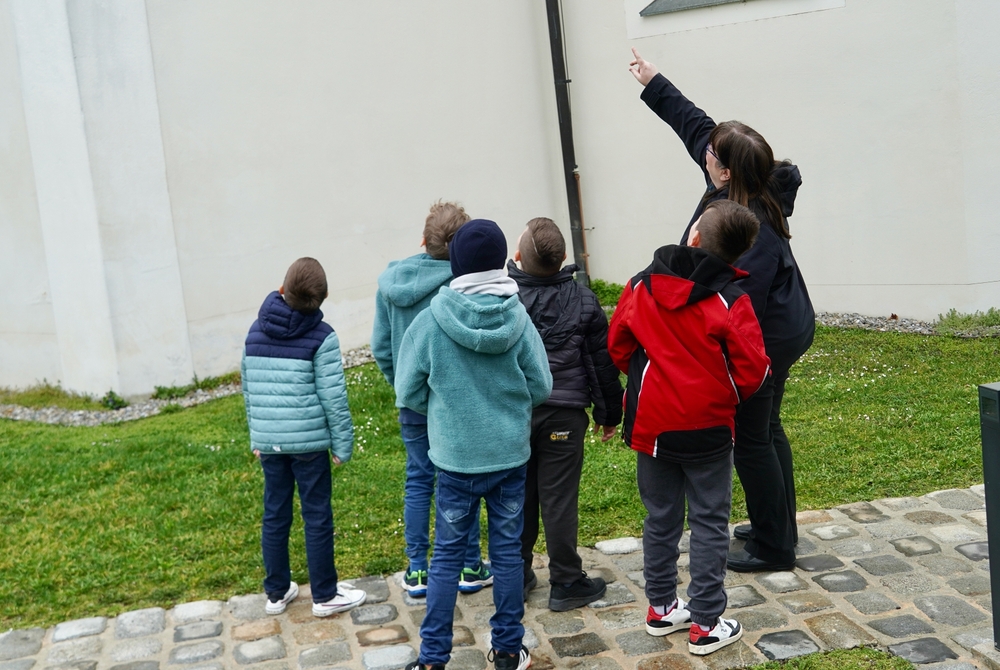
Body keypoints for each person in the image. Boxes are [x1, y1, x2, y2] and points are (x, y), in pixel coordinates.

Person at [629, 48, 815, 572]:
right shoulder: (741, 177)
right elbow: (695, 126)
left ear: (725, 170)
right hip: (783, 321)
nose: (702, 153)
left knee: (753, 439)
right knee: (768, 430)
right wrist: (653, 80)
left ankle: (774, 546)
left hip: (770, 334)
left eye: (709, 153)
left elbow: (736, 306)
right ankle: (778, 524)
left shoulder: (747, 227)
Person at [608, 200, 770, 656]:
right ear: (739, 253)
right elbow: (754, 370)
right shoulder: (731, 301)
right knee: (709, 522)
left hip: (653, 424)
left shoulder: (641, 286)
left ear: (694, 236)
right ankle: (705, 623)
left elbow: (618, 345)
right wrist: (722, 392)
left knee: (660, 517)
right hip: (708, 426)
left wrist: (649, 376)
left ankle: (662, 607)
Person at [395, 219, 552, 670]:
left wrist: (444, 409)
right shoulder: (518, 320)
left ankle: (432, 658)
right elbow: (541, 386)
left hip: (455, 461)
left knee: (446, 555)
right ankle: (507, 650)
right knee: (506, 554)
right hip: (508, 457)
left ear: (456, 264)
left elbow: (407, 391)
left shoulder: (431, 322)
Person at [371, 201, 492, 598]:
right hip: (454, 402)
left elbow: (382, 348)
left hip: (412, 403)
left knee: (419, 479)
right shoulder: (464, 283)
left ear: (423, 240)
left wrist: (403, 385)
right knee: (461, 479)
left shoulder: (392, 283)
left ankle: (417, 569)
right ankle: (469, 565)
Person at [507, 217, 624, 610]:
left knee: (518, 496)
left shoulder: (505, 300)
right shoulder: (584, 300)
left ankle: (515, 576)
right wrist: (609, 413)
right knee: (558, 500)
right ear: (562, 260)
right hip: (564, 418)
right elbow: (601, 365)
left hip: (517, 415)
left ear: (518, 256)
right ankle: (567, 581)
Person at [242, 257, 367, 617]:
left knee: (275, 513)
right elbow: (334, 398)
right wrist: (342, 444)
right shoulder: (322, 337)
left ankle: (276, 592)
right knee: (316, 515)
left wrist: (257, 436)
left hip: (270, 443)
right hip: (309, 446)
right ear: (323, 298)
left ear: (282, 289)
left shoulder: (254, 332)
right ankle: (324, 595)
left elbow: (249, 390)